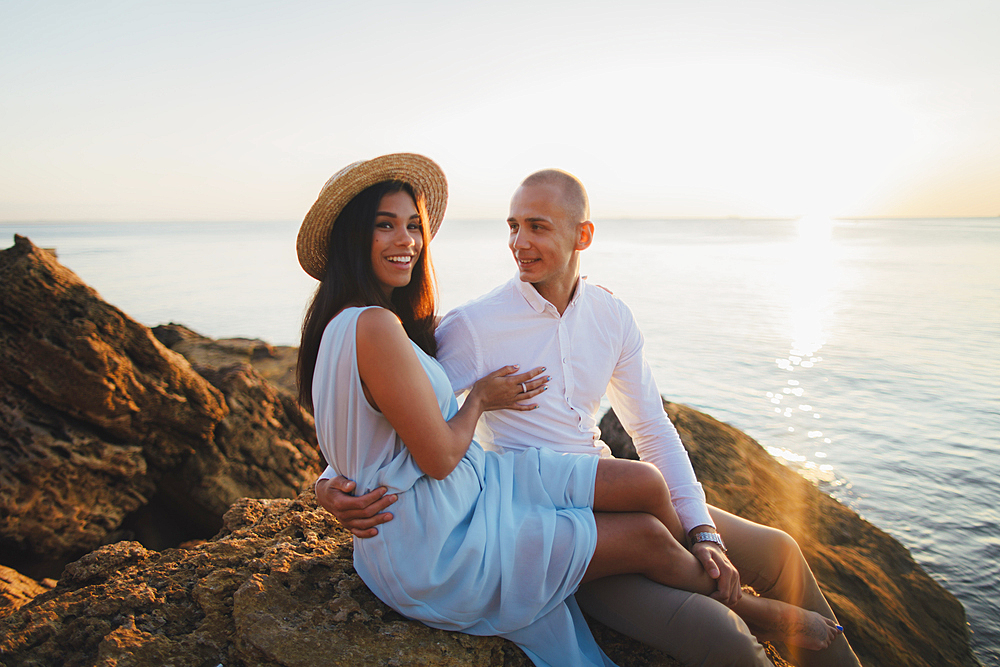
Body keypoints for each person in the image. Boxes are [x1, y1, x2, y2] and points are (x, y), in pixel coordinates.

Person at [316, 166, 862, 667]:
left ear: (583, 236)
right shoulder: (474, 326)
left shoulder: (609, 314)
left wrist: (703, 532)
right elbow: (395, 409)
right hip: (538, 518)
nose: (519, 243)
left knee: (781, 552)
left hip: (611, 487)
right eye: (512, 226)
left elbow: (651, 429)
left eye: (537, 226)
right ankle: (736, 605)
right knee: (726, 635)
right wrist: (332, 481)